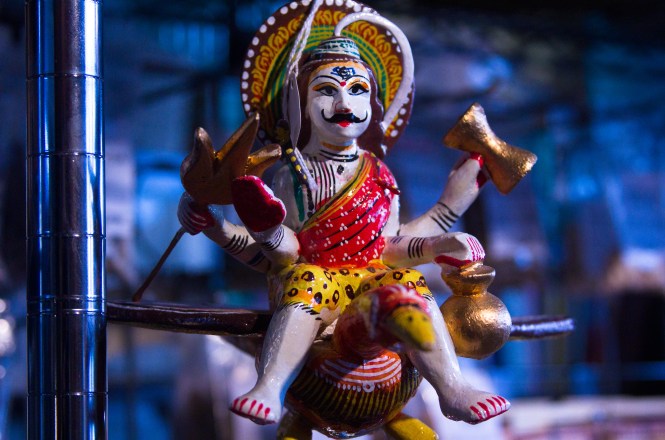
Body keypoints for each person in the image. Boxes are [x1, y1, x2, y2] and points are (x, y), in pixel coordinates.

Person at [178, 34, 509, 427]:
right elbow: (280, 256)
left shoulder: (379, 173)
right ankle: (271, 384)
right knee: (306, 279)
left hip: (371, 276)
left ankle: (452, 387)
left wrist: (439, 243)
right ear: (301, 105)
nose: (343, 104)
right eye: (326, 91)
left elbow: (387, 246)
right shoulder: (292, 176)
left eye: (357, 90)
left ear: (372, 103)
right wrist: (233, 227)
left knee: (410, 283)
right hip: (314, 278)